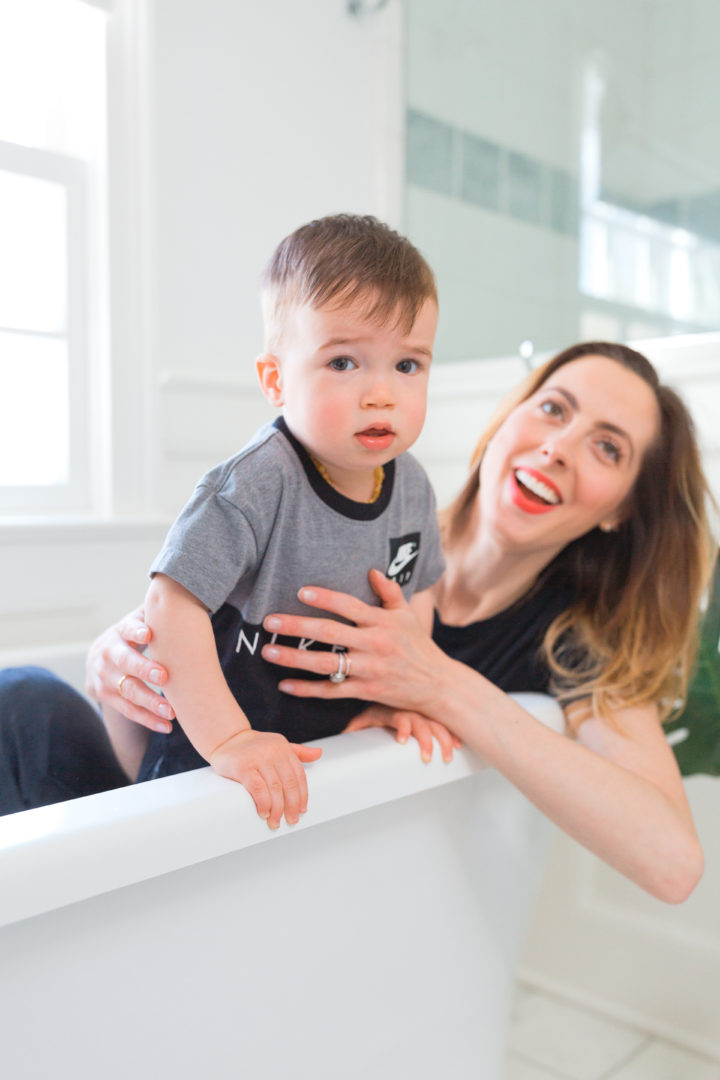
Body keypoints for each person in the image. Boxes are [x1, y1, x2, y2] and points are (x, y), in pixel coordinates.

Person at [1, 341, 713, 905]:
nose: (559, 446)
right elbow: (174, 713)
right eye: (554, 410)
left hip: (287, 891)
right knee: (24, 697)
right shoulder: (347, 534)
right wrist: (124, 660)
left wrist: (441, 684)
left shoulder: (570, 644)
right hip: (186, 824)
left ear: (622, 506)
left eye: (608, 447)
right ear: (508, 421)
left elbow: (672, 864)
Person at [90, 213, 446, 830]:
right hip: (208, 749)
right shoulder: (255, 483)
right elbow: (170, 606)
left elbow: (418, 599)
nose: (381, 393)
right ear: (276, 380)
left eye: (407, 366)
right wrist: (229, 740)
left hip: (319, 741)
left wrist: (399, 698)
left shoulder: (411, 484)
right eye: (343, 363)